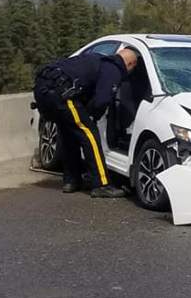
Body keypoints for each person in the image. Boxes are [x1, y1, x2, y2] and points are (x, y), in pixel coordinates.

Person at [33, 47, 139, 197]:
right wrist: (92, 115)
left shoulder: (98, 61)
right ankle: (101, 184)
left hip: (43, 91)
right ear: (130, 63)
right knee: (89, 134)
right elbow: (102, 100)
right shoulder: (113, 69)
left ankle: (71, 181)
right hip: (62, 94)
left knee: (69, 134)